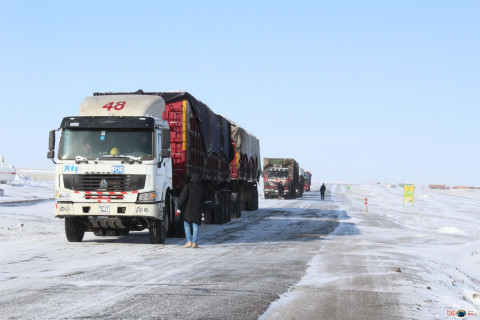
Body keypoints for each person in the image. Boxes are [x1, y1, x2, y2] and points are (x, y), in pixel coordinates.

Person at [176, 173, 206, 248]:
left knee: (186, 224)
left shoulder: (188, 186)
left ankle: (189, 241)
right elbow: (204, 199)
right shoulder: (201, 188)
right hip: (197, 209)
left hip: (188, 209)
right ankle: (195, 243)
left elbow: (183, 197)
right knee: (195, 225)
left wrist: (179, 206)